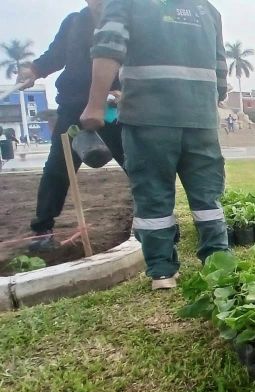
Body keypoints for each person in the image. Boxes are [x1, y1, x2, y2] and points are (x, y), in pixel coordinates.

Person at [81, 0, 229, 290]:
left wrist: (95, 105)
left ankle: (162, 272)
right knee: (207, 197)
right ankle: (217, 262)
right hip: (201, 119)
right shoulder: (208, 10)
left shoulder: (127, 3)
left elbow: (108, 49)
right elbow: (220, 75)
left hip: (149, 118)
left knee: (153, 194)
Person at [15, 0, 125, 251]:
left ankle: (153, 220)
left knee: (136, 164)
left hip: (113, 109)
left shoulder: (127, 21)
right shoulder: (74, 22)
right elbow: (55, 55)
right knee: (57, 167)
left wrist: (126, 90)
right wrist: (33, 70)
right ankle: (42, 228)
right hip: (74, 108)